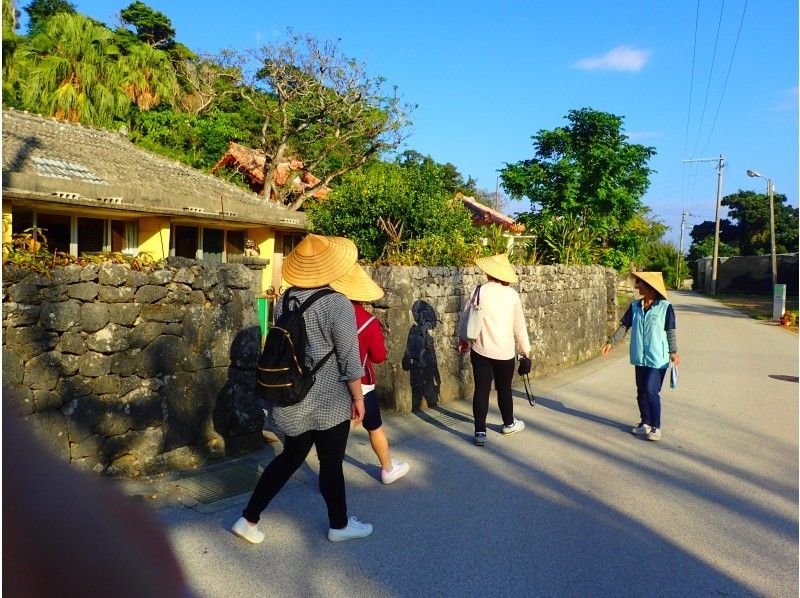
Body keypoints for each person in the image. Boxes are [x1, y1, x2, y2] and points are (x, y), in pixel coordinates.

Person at [232, 234, 373, 544]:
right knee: (331, 463)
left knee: (288, 459)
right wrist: (358, 397)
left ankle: (249, 518)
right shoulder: (338, 304)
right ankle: (339, 525)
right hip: (329, 401)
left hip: (292, 395)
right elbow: (350, 360)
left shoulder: (288, 298)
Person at [330, 262, 410, 484]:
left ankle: (329, 478)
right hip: (362, 383)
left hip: (330, 381)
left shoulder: (329, 316)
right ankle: (387, 468)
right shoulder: (369, 322)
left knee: (333, 434)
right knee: (374, 427)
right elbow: (378, 356)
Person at [458, 253, 531, 446]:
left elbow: (466, 317)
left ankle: (480, 432)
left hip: (480, 349)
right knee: (504, 389)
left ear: (489, 272)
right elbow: (519, 326)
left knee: (481, 389)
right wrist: (525, 350)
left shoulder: (478, 291)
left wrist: (463, 339)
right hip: (505, 351)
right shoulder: (512, 295)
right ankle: (508, 423)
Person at [602, 271, 680, 442]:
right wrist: (611, 342)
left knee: (651, 391)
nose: (638, 286)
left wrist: (673, 352)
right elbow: (624, 326)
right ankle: (644, 423)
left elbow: (670, 332)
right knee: (641, 392)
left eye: (641, 283)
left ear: (651, 287)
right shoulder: (635, 306)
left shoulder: (665, 307)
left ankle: (656, 426)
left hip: (657, 358)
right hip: (640, 356)